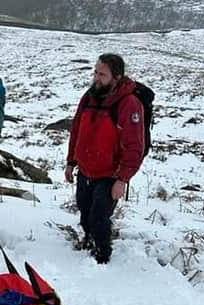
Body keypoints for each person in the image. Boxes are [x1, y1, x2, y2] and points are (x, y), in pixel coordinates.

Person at [64, 53, 145, 264]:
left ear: (116, 77)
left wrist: (123, 179)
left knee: (99, 217)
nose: (96, 78)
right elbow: (77, 131)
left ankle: (102, 258)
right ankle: (89, 242)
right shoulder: (89, 97)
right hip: (86, 168)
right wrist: (71, 162)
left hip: (110, 173)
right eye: (95, 72)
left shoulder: (129, 104)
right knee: (85, 211)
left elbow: (135, 146)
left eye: (102, 74)